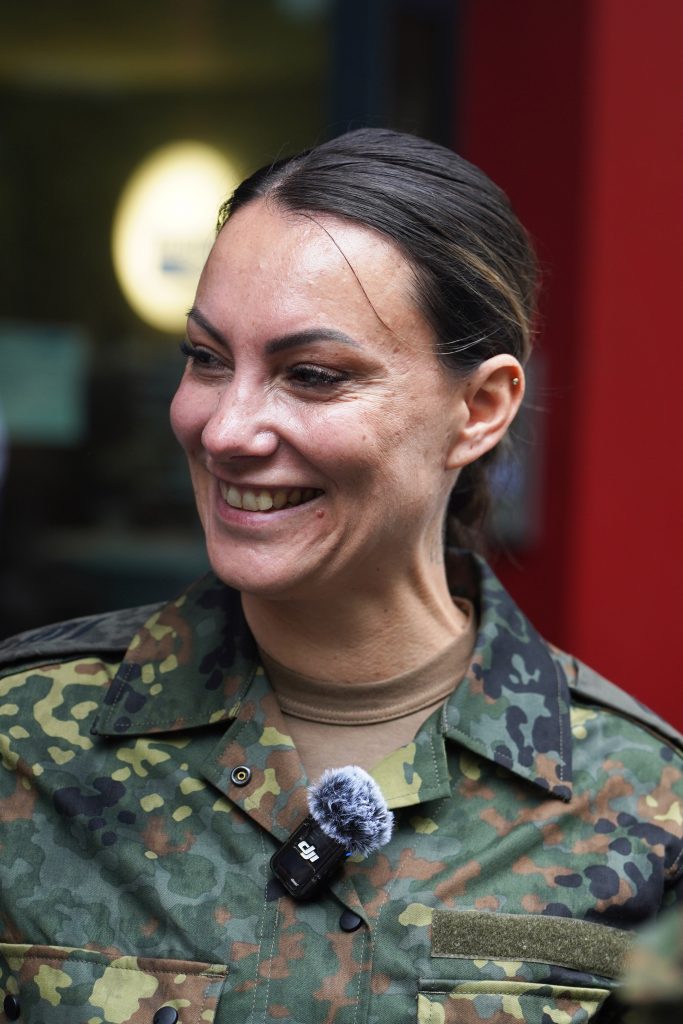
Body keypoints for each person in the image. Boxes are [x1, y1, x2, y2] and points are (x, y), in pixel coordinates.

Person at [0, 128, 681, 1024]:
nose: (224, 429)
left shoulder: (642, 806)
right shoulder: (23, 743)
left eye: (312, 375)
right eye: (206, 358)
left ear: (479, 408)